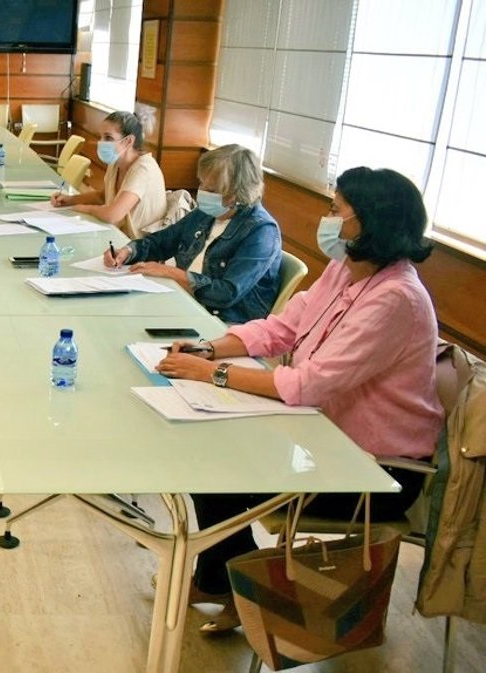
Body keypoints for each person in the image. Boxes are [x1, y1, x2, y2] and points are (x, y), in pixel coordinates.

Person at [155, 167, 444, 633]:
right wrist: (209, 349)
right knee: (206, 453)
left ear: (368, 222)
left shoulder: (397, 299)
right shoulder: (346, 269)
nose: (326, 218)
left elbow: (309, 383)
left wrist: (214, 374)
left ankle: (232, 586)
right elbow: (282, 328)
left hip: (374, 471)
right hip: (320, 435)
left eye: (336, 210)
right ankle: (221, 581)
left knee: (221, 471)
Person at [105, 144, 282, 323]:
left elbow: (226, 293)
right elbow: (163, 241)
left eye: (211, 190)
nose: (201, 192)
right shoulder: (207, 213)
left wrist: (170, 272)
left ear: (236, 194)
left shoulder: (261, 231)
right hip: (186, 302)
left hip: (223, 322)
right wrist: (128, 251)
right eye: (202, 183)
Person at [50, 110, 167, 238]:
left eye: (108, 138)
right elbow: (103, 196)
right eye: (101, 137)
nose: (101, 142)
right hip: (120, 236)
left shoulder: (144, 169)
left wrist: (86, 209)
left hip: (141, 244)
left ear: (128, 141)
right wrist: (70, 200)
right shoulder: (116, 162)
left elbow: (113, 215)